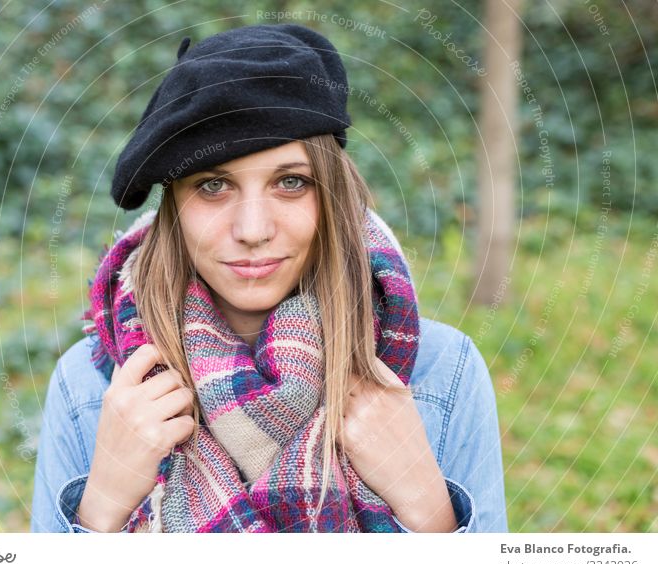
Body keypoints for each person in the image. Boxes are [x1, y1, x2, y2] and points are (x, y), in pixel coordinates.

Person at [30, 23, 508, 533]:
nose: (253, 230)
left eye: (290, 182)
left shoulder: (443, 372)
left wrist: (426, 503)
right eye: (213, 185)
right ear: (174, 207)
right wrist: (102, 502)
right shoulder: (91, 386)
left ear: (332, 198)